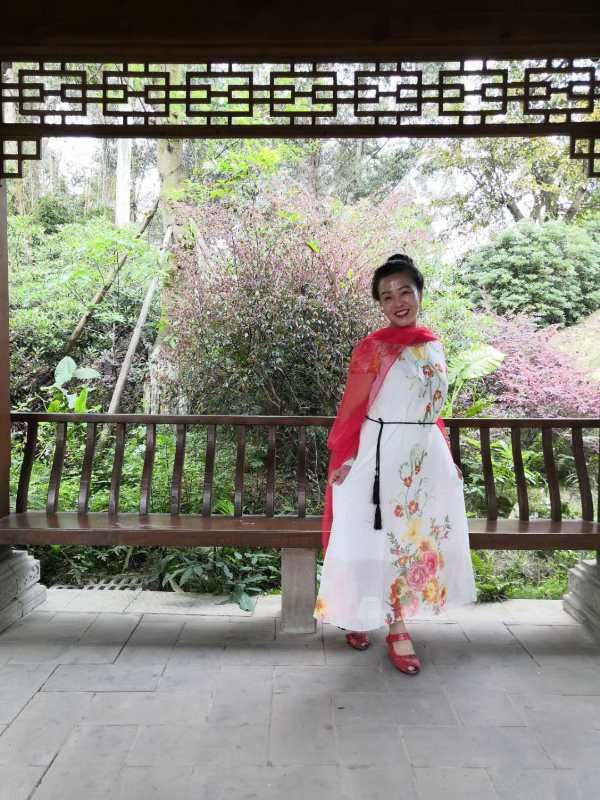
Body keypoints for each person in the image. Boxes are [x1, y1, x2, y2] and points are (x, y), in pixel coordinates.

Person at [313, 253, 478, 675]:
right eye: (387, 296)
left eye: (405, 291)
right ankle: (384, 622)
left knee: (411, 540)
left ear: (420, 293)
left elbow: (432, 409)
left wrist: (447, 456)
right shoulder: (374, 348)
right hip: (381, 454)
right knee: (372, 538)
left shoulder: (433, 344)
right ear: (380, 305)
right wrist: (348, 457)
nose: (397, 302)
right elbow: (354, 408)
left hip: (424, 456)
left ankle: (380, 617)